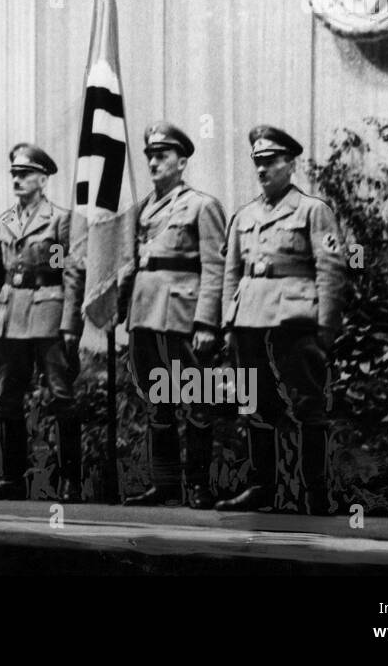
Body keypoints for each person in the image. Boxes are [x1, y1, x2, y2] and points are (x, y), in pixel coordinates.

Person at [215, 125, 346, 515]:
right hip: (249, 318)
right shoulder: (243, 215)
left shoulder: (313, 211)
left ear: (290, 164)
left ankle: (315, 492)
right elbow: (231, 272)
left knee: (307, 403)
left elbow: (331, 267)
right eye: (258, 161)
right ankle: (262, 488)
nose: (263, 169)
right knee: (255, 402)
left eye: (271, 161)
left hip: (295, 317)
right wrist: (227, 321)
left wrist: (327, 325)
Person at [0, 143, 85, 502]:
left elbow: (68, 274)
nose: (18, 180)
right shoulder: (4, 222)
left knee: (61, 396)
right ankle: (11, 480)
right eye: (14, 174)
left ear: (43, 179)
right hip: (10, 319)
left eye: (25, 174)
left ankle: (70, 482)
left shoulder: (58, 220)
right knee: (7, 398)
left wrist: (69, 324)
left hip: (48, 314)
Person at [121, 122, 226, 509]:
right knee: (156, 402)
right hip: (144, 314)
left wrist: (206, 322)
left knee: (196, 400)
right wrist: (121, 311)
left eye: (162, 155)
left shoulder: (202, 205)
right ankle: (165, 486)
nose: (153, 162)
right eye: (149, 155)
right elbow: (131, 264)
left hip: (182, 316)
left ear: (182, 162)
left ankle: (199, 485)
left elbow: (215, 266)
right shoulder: (141, 209)